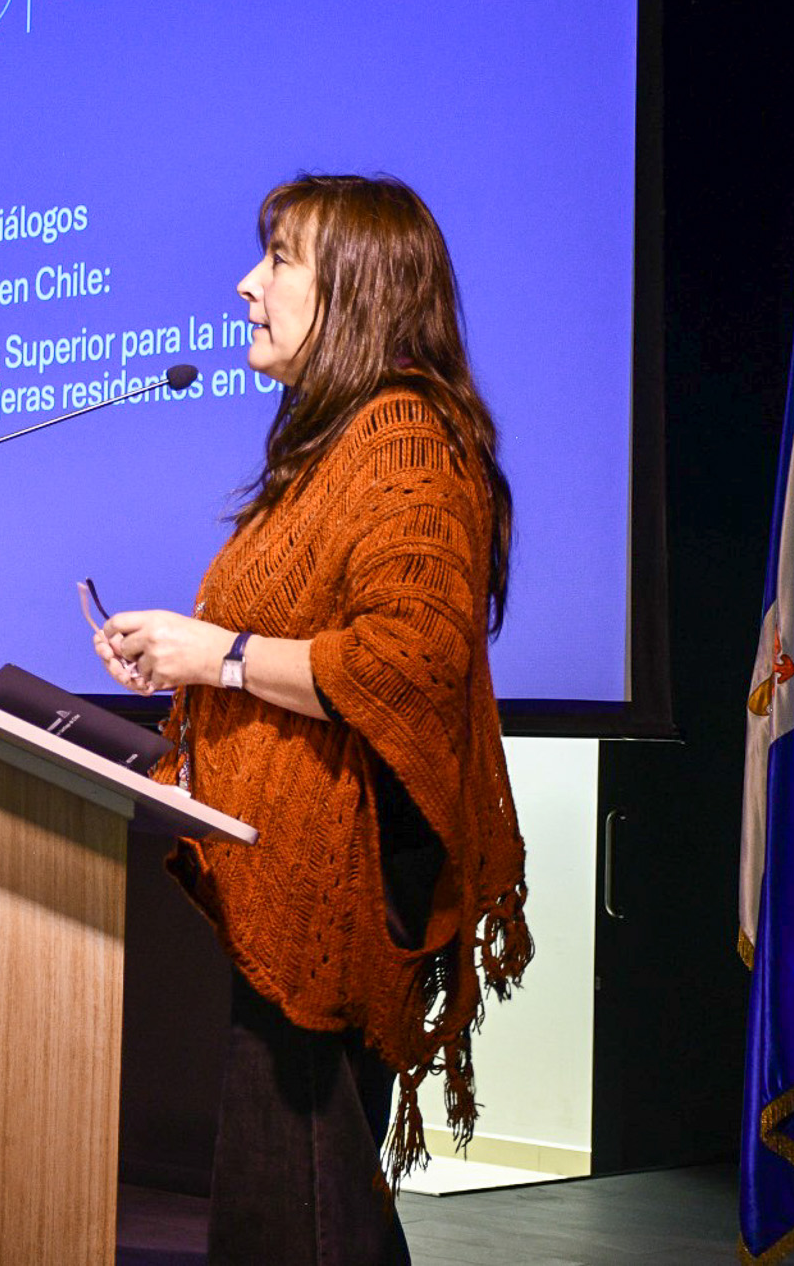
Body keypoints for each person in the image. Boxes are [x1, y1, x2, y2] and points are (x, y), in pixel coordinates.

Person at [92, 174, 533, 1265]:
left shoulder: (404, 436)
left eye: (279, 258)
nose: (247, 284)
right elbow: (293, 645)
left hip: (339, 874)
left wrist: (221, 656)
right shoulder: (330, 448)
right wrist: (188, 662)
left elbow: (406, 663)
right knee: (302, 1205)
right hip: (285, 867)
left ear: (360, 288)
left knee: (303, 1209)